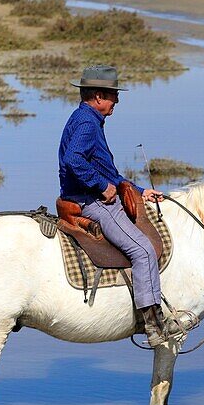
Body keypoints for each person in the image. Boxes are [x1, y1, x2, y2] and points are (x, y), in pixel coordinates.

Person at [59, 65, 176, 346]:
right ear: (98, 96)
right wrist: (101, 186)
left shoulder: (86, 118)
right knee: (144, 250)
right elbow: (74, 161)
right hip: (91, 202)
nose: (117, 101)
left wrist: (139, 191)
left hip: (89, 196)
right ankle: (152, 325)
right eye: (113, 95)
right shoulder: (88, 124)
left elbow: (107, 171)